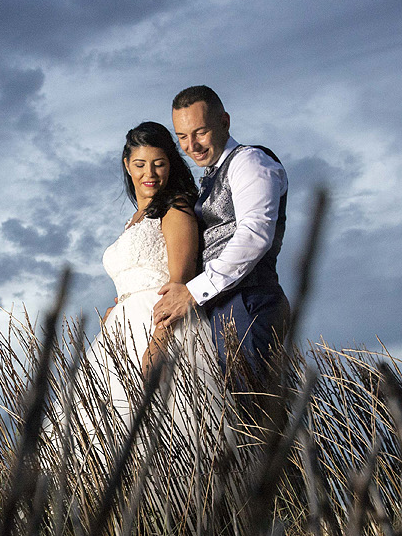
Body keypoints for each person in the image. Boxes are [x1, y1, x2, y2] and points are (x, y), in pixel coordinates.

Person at [152, 86, 289, 395]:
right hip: (223, 308)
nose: (192, 146)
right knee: (242, 418)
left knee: (258, 415)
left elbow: (255, 235)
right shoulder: (211, 174)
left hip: (250, 303)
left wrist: (191, 292)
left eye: (200, 132)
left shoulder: (250, 161)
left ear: (225, 122)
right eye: (182, 137)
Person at [84, 121, 212, 429]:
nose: (149, 174)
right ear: (127, 165)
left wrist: (159, 342)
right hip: (122, 328)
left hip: (161, 324)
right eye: (140, 164)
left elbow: (180, 283)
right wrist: (121, 305)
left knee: (165, 421)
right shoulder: (134, 220)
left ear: (171, 165)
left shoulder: (176, 208)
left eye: (159, 164)